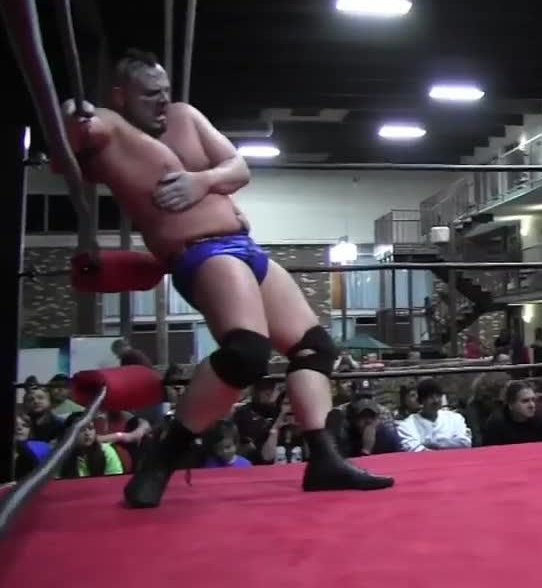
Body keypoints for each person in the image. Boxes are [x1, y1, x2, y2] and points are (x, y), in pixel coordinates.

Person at [59, 49, 392, 508]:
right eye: (150, 94)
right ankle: (162, 458)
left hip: (245, 247)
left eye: (165, 91)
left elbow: (239, 168)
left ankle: (324, 459)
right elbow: (76, 131)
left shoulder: (184, 117)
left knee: (316, 347)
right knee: (247, 353)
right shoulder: (113, 128)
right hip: (200, 252)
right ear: (121, 96)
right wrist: (71, 113)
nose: (162, 101)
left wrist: (202, 181)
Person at [396, 379, 472, 451]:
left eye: (438, 396)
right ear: (421, 400)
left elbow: (465, 443)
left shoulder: (455, 418)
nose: (436, 400)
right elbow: (414, 449)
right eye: (430, 397)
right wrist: (450, 444)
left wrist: (434, 444)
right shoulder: (407, 425)